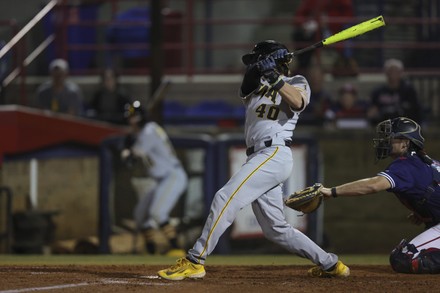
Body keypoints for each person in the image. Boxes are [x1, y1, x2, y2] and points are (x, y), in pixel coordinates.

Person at [157, 40, 350, 280]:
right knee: (275, 230)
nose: (255, 64)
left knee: (224, 197)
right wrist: (264, 68)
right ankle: (331, 264)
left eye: (259, 59)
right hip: (259, 156)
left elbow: (298, 102)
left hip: (275, 152)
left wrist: (275, 73)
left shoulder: (296, 82)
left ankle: (195, 260)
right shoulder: (254, 86)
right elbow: (248, 80)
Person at [318, 117, 440, 274]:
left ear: (405, 143)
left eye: (392, 137)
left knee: (404, 258)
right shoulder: (421, 163)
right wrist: (425, 212)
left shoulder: (406, 165)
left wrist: (332, 191)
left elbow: (373, 185)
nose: (386, 141)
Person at [122, 100, 188, 256]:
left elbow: (132, 157)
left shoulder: (149, 131)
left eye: (133, 118)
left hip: (173, 176)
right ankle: (151, 252)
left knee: (158, 213)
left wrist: (127, 151)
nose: (130, 121)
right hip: (161, 180)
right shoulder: (143, 132)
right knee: (140, 214)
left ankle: (176, 249)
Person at [291, 0, 355, 73]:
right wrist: (305, 25)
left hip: (334, 30)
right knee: (300, 35)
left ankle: (345, 64)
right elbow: (299, 16)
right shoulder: (311, 2)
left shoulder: (342, 3)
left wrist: (329, 22)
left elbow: (348, 16)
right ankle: (304, 67)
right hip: (314, 31)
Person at [367, 59, 422, 126]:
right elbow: (371, 112)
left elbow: (414, 111)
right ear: (386, 73)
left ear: (401, 73)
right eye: (390, 71)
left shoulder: (408, 90)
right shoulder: (378, 92)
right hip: (384, 126)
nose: (392, 74)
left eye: (395, 71)